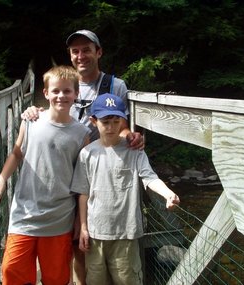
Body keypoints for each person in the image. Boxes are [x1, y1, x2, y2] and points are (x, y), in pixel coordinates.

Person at [22, 29, 144, 284]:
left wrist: (131, 135)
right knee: (74, 238)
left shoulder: (115, 85)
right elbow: (54, 111)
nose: (81, 55)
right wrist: (33, 110)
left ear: (98, 52)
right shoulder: (65, 85)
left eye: (86, 49)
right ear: (70, 55)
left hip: (96, 173)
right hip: (62, 171)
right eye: (75, 51)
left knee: (84, 237)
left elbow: (121, 125)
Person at [0, 65, 90, 285]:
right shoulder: (30, 120)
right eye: (55, 91)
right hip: (23, 214)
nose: (61, 95)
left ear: (76, 94)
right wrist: (2, 179)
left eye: (67, 91)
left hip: (59, 218)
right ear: (45, 93)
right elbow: (16, 153)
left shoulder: (82, 134)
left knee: (57, 277)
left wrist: (80, 222)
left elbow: (82, 178)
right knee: (11, 272)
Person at [71, 93, 180, 285]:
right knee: (95, 280)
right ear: (94, 121)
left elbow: (150, 177)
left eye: (116, 121)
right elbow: (83, 194)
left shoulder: (135, 151)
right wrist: (83, 229)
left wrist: (167, 193)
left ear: (123, 120)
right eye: (106, 122)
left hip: (127, 235)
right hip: (95, 235)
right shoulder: (87, 153)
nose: (111, 127)